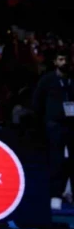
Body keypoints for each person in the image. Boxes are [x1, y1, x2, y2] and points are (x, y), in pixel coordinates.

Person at [32, 49, 74, 210]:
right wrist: (48, 119)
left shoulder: (72, 79)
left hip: (72, 126)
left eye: (67, 59)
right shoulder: (47, 80)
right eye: (61, 59)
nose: (65, 63)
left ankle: (69, 193)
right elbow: (37, 102)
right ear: (55, 62)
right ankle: (55, 195)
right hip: (55, 126)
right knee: (56, 161)